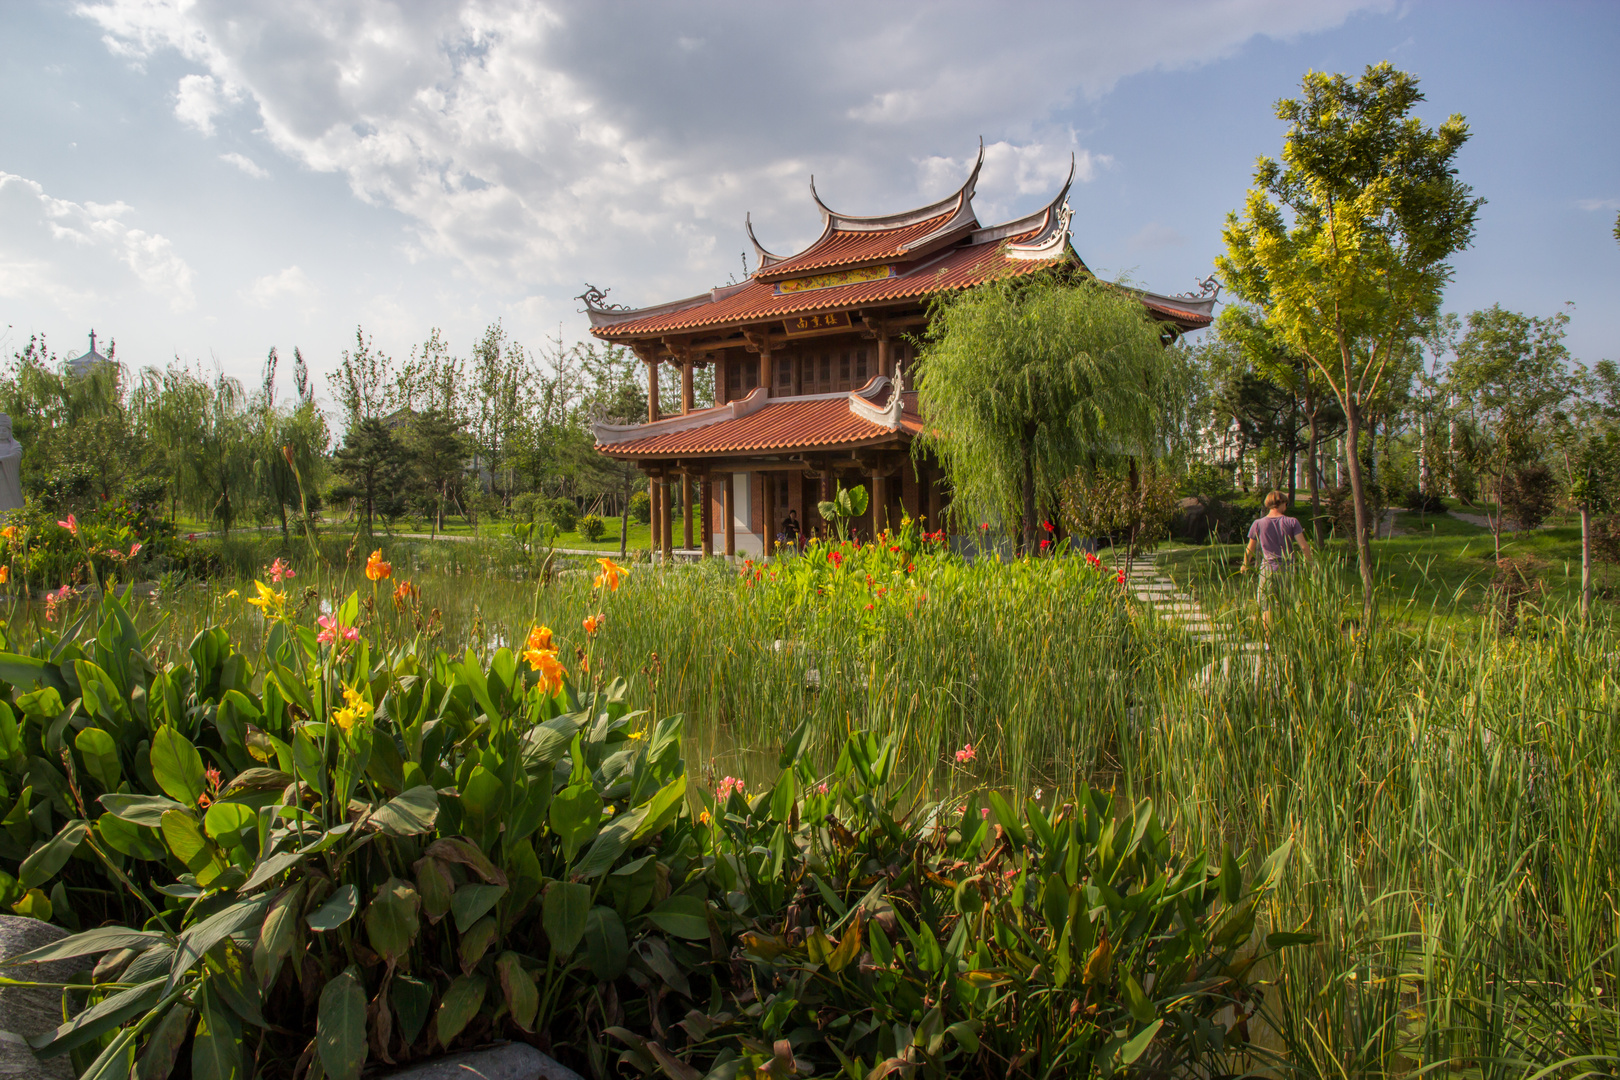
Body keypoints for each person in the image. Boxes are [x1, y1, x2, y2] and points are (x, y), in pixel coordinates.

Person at [1242, 490, 1311, 632]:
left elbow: (1250, 549)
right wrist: (1311, 563)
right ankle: (1285, 641)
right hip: (1287, 568)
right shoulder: (1292, 522)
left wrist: (1245, 565)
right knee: (1287, 604)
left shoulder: (1258, 523)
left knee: (1266, 606)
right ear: (1282, 504)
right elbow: (1303, 546)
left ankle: (1268, 642)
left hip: (1267, 568)